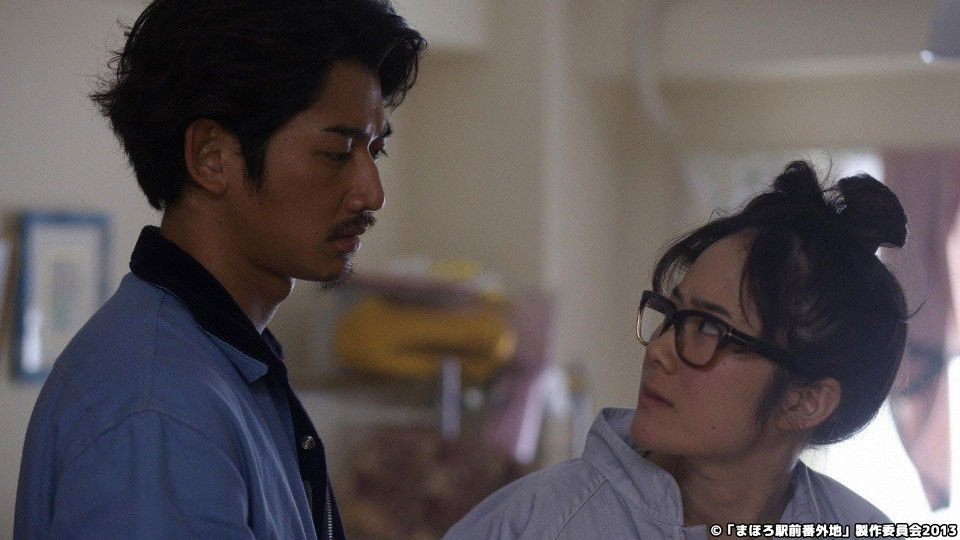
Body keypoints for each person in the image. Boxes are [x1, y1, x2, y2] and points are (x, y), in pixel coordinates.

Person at [14, 1, 425, 538]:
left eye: (375, 151)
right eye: (337, 152)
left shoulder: (220, 363)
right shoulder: (157, 408)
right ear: (211, 157)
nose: (372, 193)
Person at [444, 161, 910, 539]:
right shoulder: (535, 524)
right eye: (672, 314)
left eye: (709, 327)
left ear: (804, 401)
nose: (660, 350)